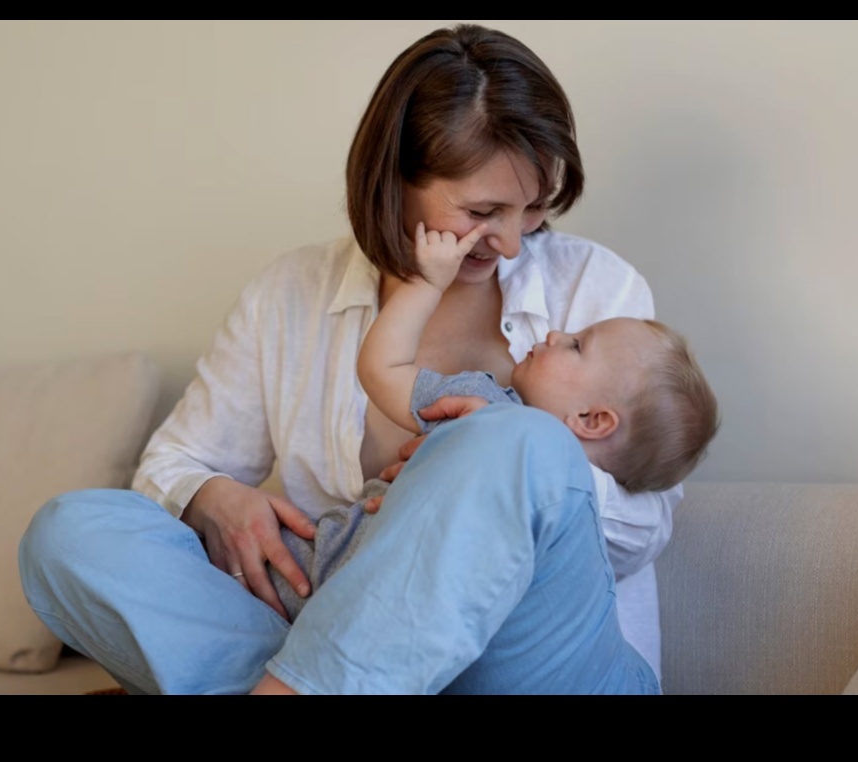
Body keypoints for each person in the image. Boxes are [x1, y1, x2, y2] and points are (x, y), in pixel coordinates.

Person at [19, 23, 692, 693]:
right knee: (70, 534)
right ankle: (328, 674)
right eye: (484, 211)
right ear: (397, 179)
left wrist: (481, 479)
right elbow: (170, 466)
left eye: (534, 208)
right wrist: (211, 499)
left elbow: (645, 525)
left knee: (516, 440)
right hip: (332, 625)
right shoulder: (288, 295)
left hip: (532, 664)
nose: (512, 242)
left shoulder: (598, 291)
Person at [268, 222, 720, 625]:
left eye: (577, 346)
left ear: (592, 419)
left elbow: (381, 368)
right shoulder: (481, 404)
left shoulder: (491, 417)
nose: (555, 333)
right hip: (340, 582)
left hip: (345, 584)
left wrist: (426, 284)